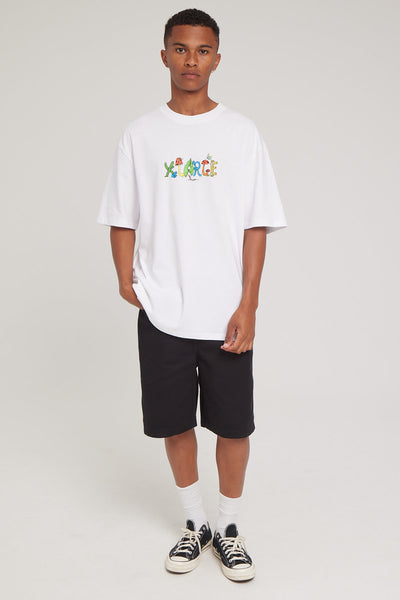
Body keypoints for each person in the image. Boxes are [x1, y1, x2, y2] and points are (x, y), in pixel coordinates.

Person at [97, 8, 287, 582]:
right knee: (174, 423)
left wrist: (249, 303)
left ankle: (228, 528)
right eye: (180, 49)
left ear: (217, 59)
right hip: (163, 310)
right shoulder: (140, 134)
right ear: (164, 55)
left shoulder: (241, 133)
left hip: (226, 311)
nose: (191, 60)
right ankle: (194, 523)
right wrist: (126, 277)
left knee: (233, 427)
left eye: (202, 51)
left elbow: (256, 223)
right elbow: (122, 214)